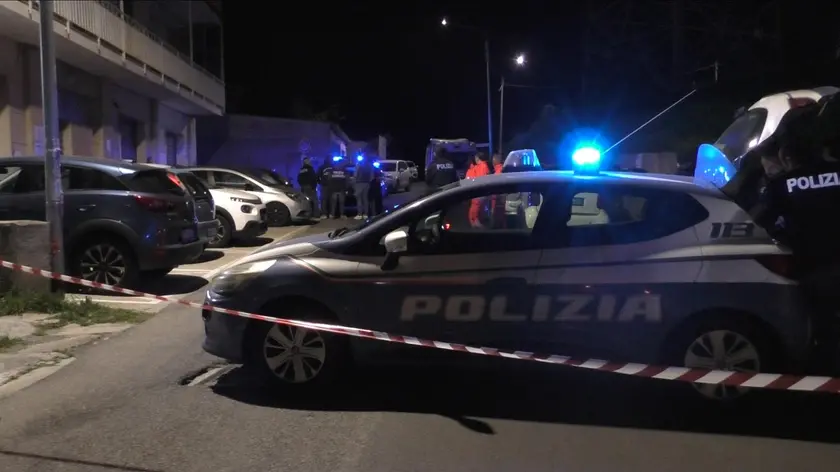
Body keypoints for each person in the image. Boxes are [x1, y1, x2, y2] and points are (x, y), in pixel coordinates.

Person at [750, 95, 840, 373]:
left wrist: (782, 232)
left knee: (825, 330)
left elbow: (760, 222)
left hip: (814, 267)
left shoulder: (782, 185)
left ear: (787, 155)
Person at [466, 153, 490, 227]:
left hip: (477, 191)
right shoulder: (483, 166)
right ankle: (475, 222)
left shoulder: (480, 167)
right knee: (477, 208)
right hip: (481, 191)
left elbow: (470, 179)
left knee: (475, 208)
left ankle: (475, 222)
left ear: (477, 158)